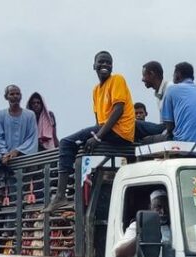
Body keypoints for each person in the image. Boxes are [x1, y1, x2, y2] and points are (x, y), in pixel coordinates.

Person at [46, 51, 136, 212]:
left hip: (119, 130)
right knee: (79, 145)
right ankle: (70, 191)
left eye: (108, 62)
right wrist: (95, 136)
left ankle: (60, 195)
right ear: (94, 66)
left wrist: (98, 137)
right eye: (101, 62)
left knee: (66, 142)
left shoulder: (117, 79)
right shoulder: (96, 90)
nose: (105, 65)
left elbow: (118, 109)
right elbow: (98, 120)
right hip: (107, 130)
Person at [0, 85, 38, 201]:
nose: (15, 96)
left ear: (21, 96)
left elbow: (32, 137)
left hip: (21, 151)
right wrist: (4, 153)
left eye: (17, 94)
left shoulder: (29, 115)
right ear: (6, 97)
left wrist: (17, 151)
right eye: (12, 94)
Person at [160, 62, 196, 143]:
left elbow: (169, 126)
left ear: (178, 75)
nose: (173, 77)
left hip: (186, 142)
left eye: (173, 74)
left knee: (148, 140)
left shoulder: (171, 90)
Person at [114, 190, 171, 257]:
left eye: (166, 207)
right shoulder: (138, 225)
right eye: (158, 207)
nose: (163, 211)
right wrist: (142, 236)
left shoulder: (173, 225)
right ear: (150, 208)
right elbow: (119, 254)